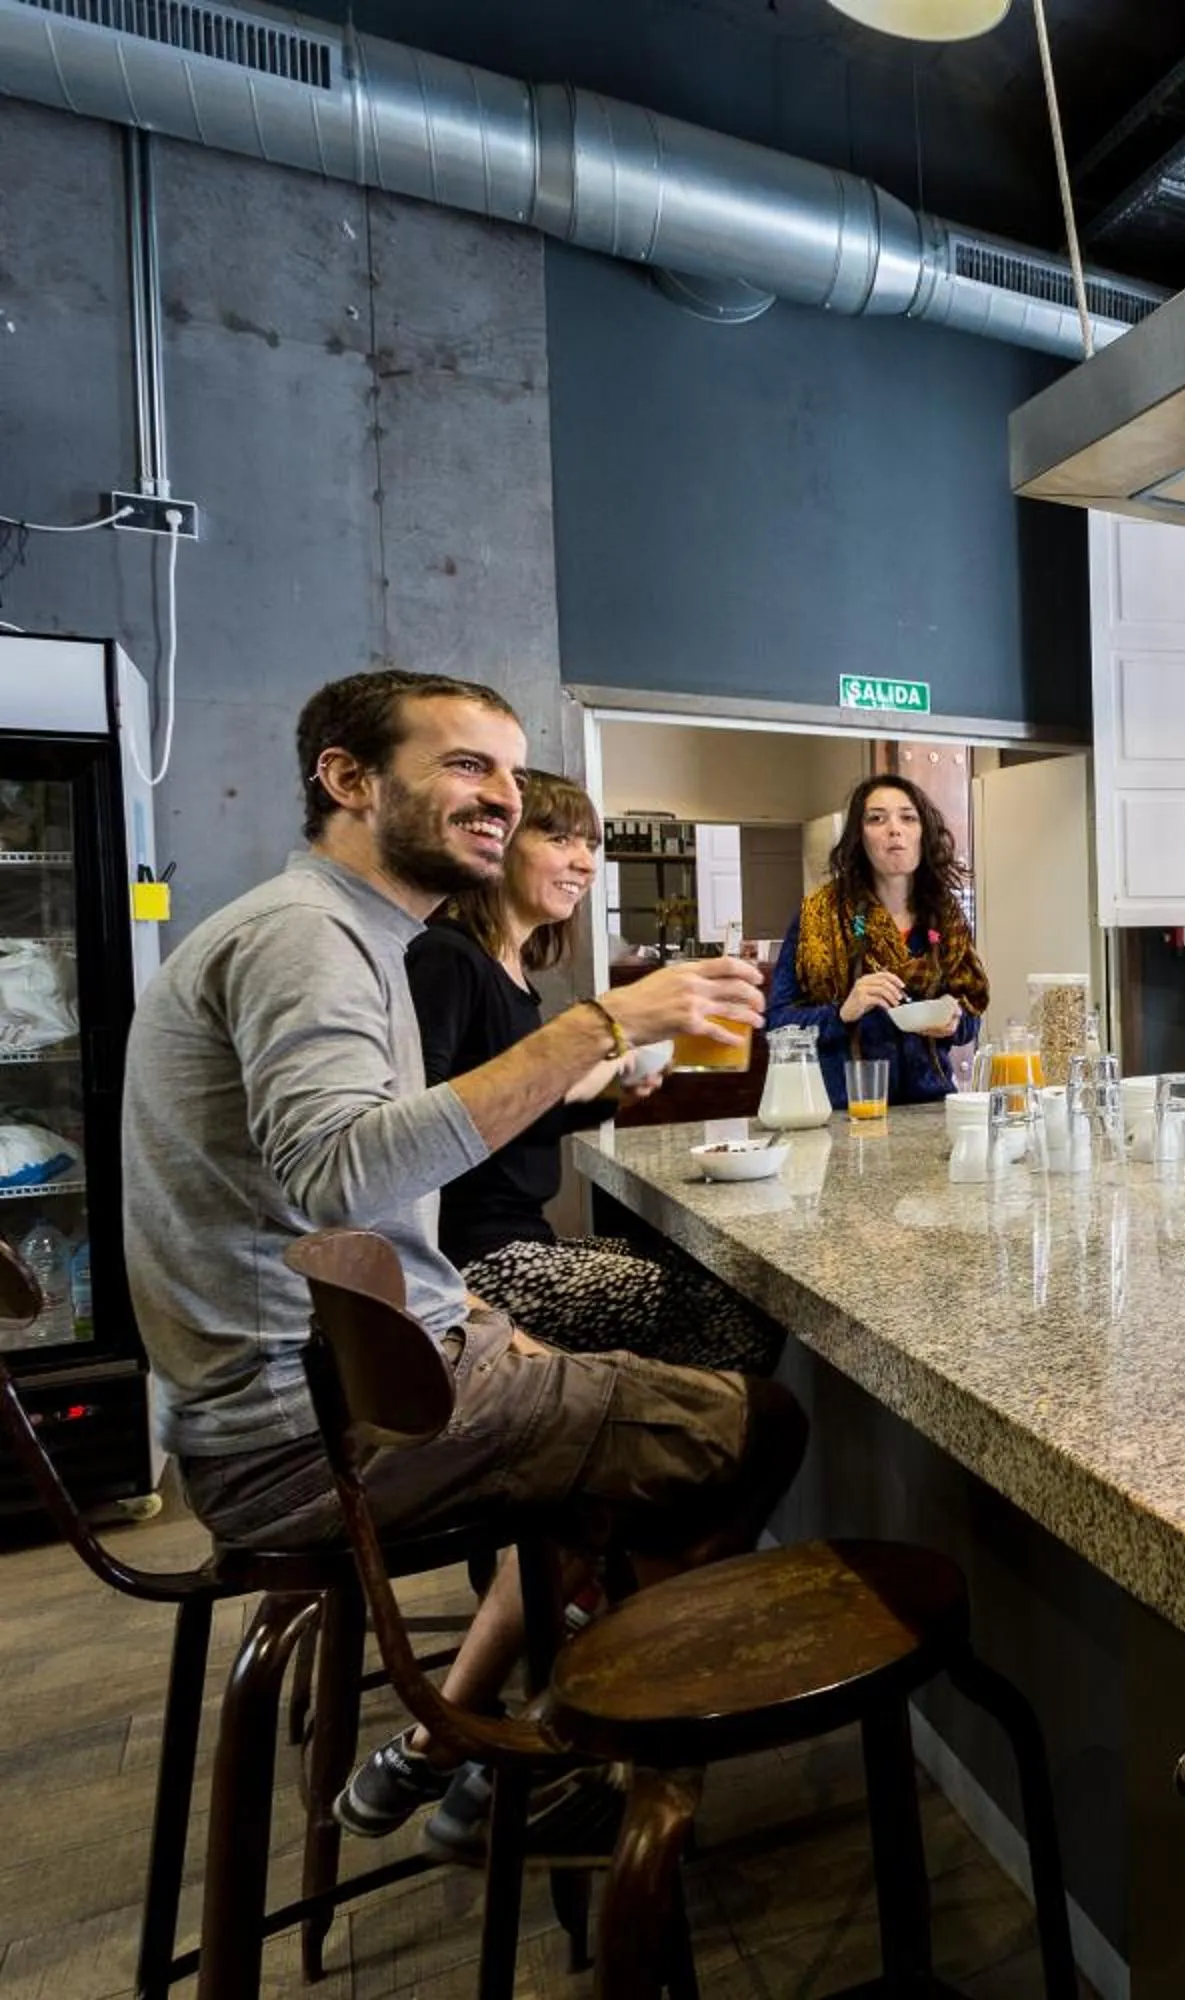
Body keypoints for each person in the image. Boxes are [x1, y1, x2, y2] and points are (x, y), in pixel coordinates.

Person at [123, 670, 807, 1860]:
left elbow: (365, 1199)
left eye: (507, 769)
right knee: (758, 1422)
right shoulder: (309, 937)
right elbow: (339, 1170)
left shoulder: (351, 936)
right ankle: (577, 1758)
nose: (500, 796)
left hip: (322, 1394)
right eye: (463, 766)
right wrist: (602, 1025)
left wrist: (482, 1324)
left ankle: (482, 1737)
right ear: (347, 778)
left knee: (601, 1440)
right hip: (315, 1435)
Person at [410, 769, 780, 1373]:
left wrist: (614, 1090)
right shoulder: (448, 956)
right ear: (497, 845)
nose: (583, 862)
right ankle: (685, 1442)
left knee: (707, 1263)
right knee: (728, 1308)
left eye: (590, 845)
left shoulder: (512, 973)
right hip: (476, 1263)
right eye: (558, 839)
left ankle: (664, 1427)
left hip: (522, 1239)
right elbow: (425, 1124)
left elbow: (521, 1110)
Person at [766, 773, 987, 1107]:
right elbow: (775, 1027)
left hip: (930, 1109)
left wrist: (955, 1021)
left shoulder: (945, 917)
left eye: (908, 817)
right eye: (877, 819)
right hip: (844, 1111)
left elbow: (970, 1016)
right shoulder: (818, 917)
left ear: (922, 832)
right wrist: (842, 1012)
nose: (894, 829)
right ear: (860, 836)